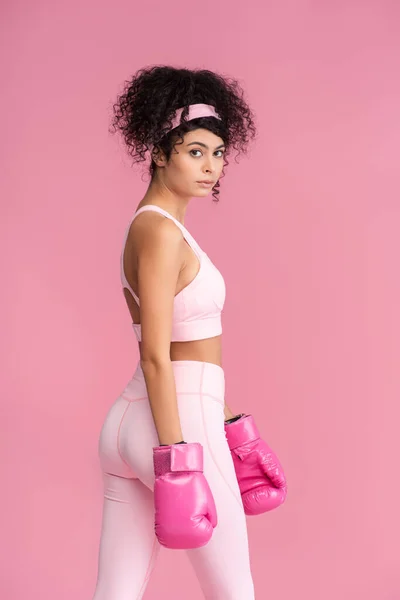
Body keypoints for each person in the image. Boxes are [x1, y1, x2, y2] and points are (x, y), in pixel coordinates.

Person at [92, 65, 287, 600]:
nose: (211, 166)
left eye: (219, 153)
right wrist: (178, 454)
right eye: (195, 151)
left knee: (116, 592)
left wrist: (227, 417)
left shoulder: (160, 226)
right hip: (170, 423)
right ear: (159, 152)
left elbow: (181, 347)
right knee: (234, 592)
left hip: (137, 420)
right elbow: (156, 355)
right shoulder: (157, 230)